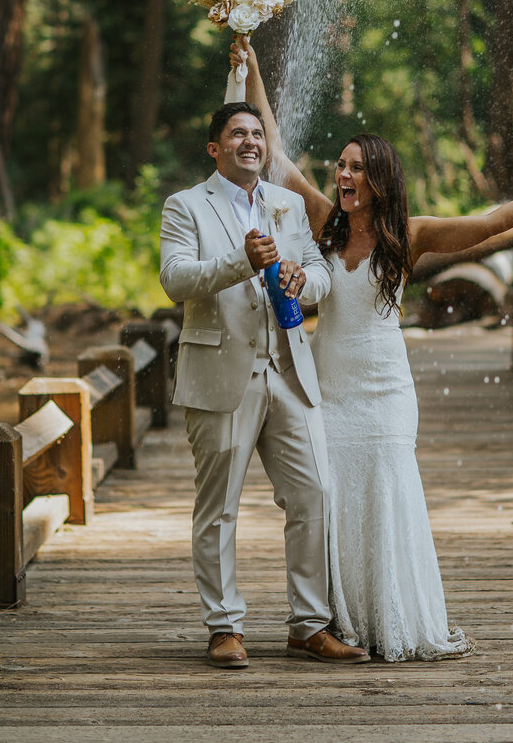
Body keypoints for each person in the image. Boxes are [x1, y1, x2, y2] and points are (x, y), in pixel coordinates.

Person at [231, 37, 513, 662]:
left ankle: (391, 617)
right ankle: (336, 622)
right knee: (333, 498)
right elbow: (276, 153)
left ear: (378, 178)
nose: (342, 177)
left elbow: (492, 223)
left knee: (386, 495)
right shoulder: (323, 221)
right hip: (332, 389)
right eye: (340, 167)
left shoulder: (412, 233)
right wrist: (252, 67)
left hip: (386, 392)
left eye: (354, 168)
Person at [159, 101, 371, 667]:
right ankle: (225, 627)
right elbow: (175, 280)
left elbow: (321, 272)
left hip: (289, 373)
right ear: (215, 148)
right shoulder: (185, 206)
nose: (251, 141)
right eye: (237, 134)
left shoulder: (287, 203)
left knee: (315, 495)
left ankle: (308, 625)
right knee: (219, 508)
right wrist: (240, 261)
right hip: (220, 376)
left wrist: (305, 282)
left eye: (257, 133)